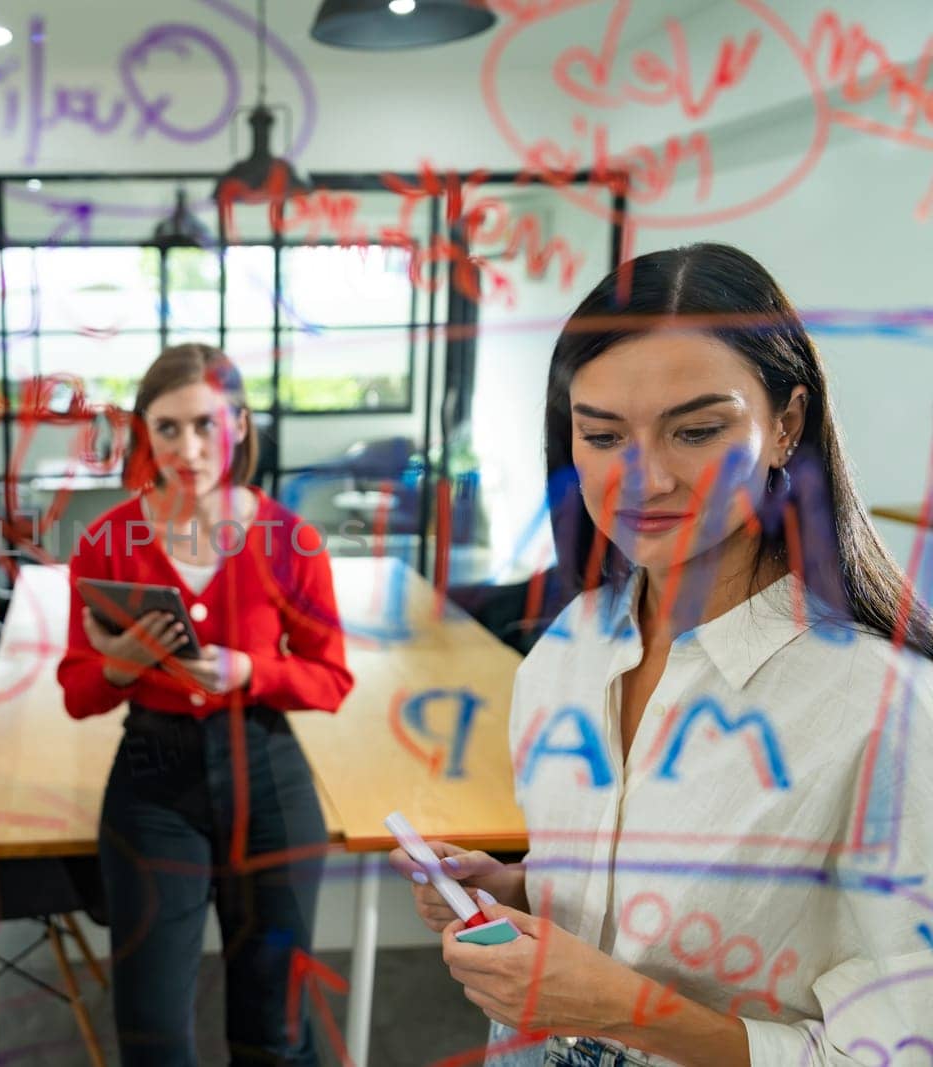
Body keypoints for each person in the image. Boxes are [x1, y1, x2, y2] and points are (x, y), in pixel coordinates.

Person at [393, 243, 933, 1065]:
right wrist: (528, 890)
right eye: (603, 435)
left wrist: (634, 1012)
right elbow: (634, 886)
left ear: (787, 423)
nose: (641, 480)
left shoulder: (886, 710)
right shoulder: (568, 650)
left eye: (697, 429)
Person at [57, 343, 355, 1065]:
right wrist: (122, 664)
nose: (187, 448)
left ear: (241, 425)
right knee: (153, 1027)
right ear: (143, 433)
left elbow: (331, 678)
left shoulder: (291, 539)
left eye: (206, 425)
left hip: (267, 770)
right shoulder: (106, 541)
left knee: (275, 1023)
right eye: (167, 428)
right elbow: (77, 692)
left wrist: (251, 668)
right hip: (154, 779)